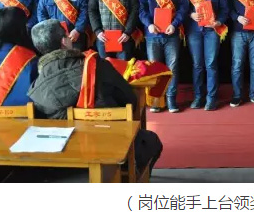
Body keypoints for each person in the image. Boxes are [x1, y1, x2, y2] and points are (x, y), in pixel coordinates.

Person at [27, 20, 163, 174]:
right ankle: (131, 175)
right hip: (110, 147)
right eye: (67, 35)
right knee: (152, 141)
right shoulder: (94, 65)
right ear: (64, 41)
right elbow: (129, 100)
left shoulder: (36, 85)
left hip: (62, 158)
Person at [139, 0, 189, 113]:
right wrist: (149, 24)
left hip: (171, 34)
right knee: (154, 68)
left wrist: (174, 24)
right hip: (153, 34)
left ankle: (171, 99)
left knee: (172, 67)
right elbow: (141, 9)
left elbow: (183, 8)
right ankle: (156, 101)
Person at [183, 0, 229, 111]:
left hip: (212, 30)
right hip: (194, 30)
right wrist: (190, 14)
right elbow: (181, 6)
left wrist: (219, 21)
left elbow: (225, 9)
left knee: (211, 64)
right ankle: (198, 97)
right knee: (197, 65)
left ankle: (211, 98)